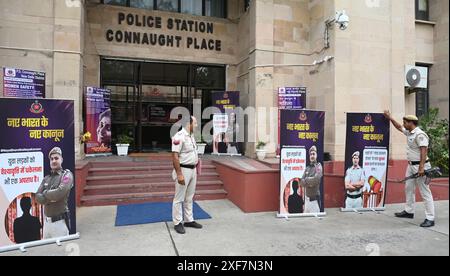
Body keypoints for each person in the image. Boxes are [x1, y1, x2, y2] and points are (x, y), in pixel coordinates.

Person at [384, 111, 435, 227]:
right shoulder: (410, 132)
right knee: (408, 188)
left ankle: (430, 218)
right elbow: (398, 127)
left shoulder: (420, 135)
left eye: (405, 122)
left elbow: (424, 150)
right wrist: (390, 118)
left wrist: (421, 168)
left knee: (425, 192)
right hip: (411, 166)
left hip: (420, 166)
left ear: (411, 123)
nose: (404, 124)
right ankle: (409, 211)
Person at [171, 116, 203, 234]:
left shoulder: (191, 136)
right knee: (179, 198)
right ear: (188, 124)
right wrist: (179, 174)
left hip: (193, 170)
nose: (196, 125)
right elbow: (174, 156)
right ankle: (177, 222)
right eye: (195, 123)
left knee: (189, 197)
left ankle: (189, 220)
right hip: (183, 170)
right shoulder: (179, 136)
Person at [36, 147, 74, 238]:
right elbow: (37, 196)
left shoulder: (66, 176)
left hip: (59, 223)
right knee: (46, 251)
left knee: (60, 251)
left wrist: (45, 193)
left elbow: (59, 193)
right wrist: (51, 198)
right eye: (51, 159)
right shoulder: (46, 178)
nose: (53, 161)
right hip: (46, 224)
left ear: (61, 159)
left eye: (56, 158)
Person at [300, 146, 323, 213]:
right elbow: (301, 182)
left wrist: (306, 180)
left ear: (316, 155)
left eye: (313, 154)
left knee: (315, 222)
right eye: (311, 154)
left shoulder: (318, 166)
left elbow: (316, 179)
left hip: (314, 201)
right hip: (307, 201)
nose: (312, 156)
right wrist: (310, 183)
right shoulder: (307, 168)